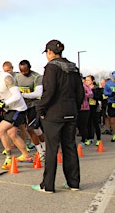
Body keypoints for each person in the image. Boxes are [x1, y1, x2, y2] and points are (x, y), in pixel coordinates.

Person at [33, 39, 84, 193]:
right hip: (71, 112)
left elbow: (49, 91)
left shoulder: (51, 67)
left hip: (54, 114)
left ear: (49, 52)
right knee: (70, 147)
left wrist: (40, 109)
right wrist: (75, 108)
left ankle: (48, 185)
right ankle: (73, 183)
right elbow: (80, 92)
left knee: (52, 149)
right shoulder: (73, 68)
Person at [0, 57, 32, 170]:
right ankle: (26, 156)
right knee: (12, 134)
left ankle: (9, 157)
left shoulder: (6, 78)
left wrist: (4, 104)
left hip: (18, 108)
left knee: (1, 129)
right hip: (9, 108)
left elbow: (17, 95)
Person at [15, 60, 46, 160]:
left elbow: (38, 93)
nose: (23, 73)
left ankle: (43, 151)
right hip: (23, 107)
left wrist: (22, 95)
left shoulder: (37, 77)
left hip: (35, 105)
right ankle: (42, 150)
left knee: (31, 128)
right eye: (21, 70)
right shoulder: (17, 77)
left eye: (25, 70)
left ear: (29, 67)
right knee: (34, 130)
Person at [85, 75, 103, 145]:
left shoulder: (96, 88)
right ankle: (90, 138)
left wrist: (93, 95)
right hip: (87, 107)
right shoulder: (85, 88)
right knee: (88, 123)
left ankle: (98, 139)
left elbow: (100, 97)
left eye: (88, 80)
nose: (87, 81)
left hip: (95, 108)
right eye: (86, 80)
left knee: (96, 124)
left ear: (93, 81)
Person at [103, 71, 115, 142]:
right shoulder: (108, 84)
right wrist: (111, 93)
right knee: (112, 120)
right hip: (111, 103)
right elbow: (105, 92)